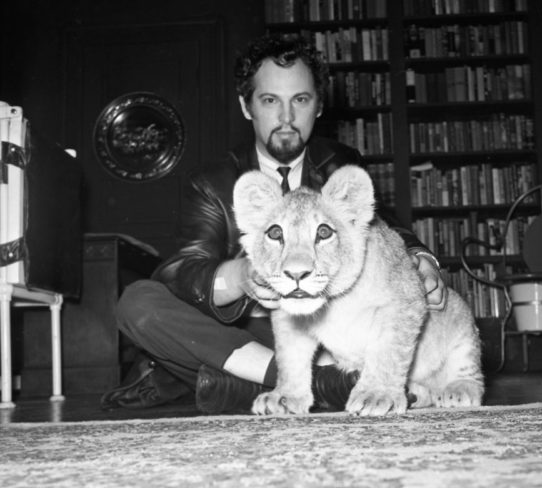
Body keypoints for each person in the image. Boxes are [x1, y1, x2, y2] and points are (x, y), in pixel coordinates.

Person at [102, 33, 447, 414]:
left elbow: (383, 230)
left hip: (326, 324)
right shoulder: (212, 181)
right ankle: (313, 383)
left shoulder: (340, 162)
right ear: (247, 106)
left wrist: (421, 258)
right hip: (250, 328)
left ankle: (245, 385)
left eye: (300, 100)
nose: (286, 118)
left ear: (317, 106)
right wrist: (243, 275)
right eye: (270, 101)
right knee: (138, 303)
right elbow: (179, 272)